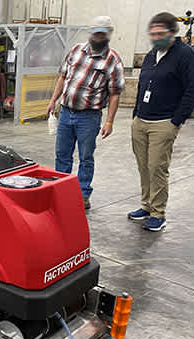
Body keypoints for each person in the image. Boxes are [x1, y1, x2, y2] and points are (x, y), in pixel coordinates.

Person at [128, 12, 194, 231]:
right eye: (152, 34)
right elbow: (143, 85)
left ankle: (158, 213)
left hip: (164, 122)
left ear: (172, 32)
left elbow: (193, 90)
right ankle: (147, 205)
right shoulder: (152, 54)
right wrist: (135, 113)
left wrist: (176, 121)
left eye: (160, 33)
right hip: (141, 120)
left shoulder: (186, 55)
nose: (155, 37)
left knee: (156, 167)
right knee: (143, 167)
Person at [47, 16, 125, 210]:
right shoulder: (75, 51)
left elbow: (115, 94)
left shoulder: (113, 60)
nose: (98, 38)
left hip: (88, 117)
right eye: (96, 33)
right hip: (66, 112)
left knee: (86, 156)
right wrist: (53, 100)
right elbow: (63, 78)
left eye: (102, 34)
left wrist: (109, 122)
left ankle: (83, 194)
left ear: (108, 35)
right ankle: (60, 189)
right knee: (62, 154)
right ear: (90, 33)